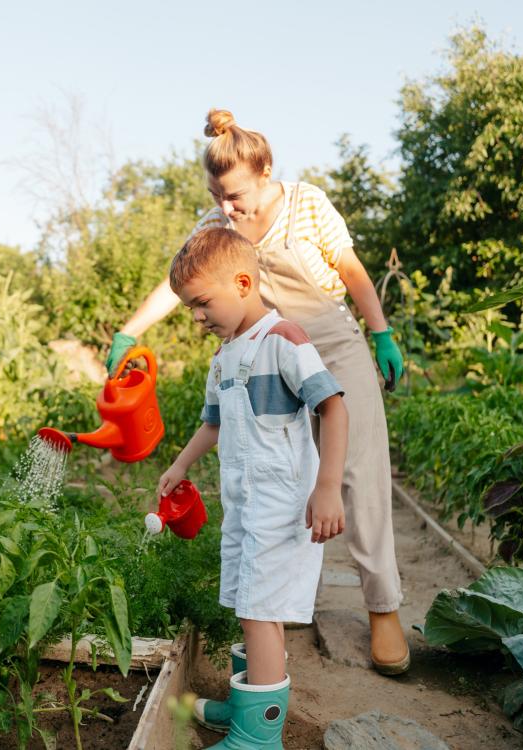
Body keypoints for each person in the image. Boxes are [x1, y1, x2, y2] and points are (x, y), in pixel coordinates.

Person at [107, 109, 410, 676]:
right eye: (217, 196)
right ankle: (284, 598)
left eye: (235, 195)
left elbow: (351, 271)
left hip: (332, 346)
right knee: (284, 474)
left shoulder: (307, 202)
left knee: (358, 476)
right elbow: (179, 285)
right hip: (268, 355)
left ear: (266, 171)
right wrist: (131, 330)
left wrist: (382, 332)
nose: (227, 208)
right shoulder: (215, 226)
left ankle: (383, 608)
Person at [159, 227, 347, 749]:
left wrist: (327, 486)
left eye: (201, 302)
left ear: (243, 282)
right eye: (189, 307)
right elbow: (213, 423)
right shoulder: (223, 356)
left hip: (284, 503)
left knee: (259, 609)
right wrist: (179, 464)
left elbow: (332, 406)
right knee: (248, 599)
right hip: (244, 503)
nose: (197, 316)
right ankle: (248, 703)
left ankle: (259, 737)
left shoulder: (283, 339)